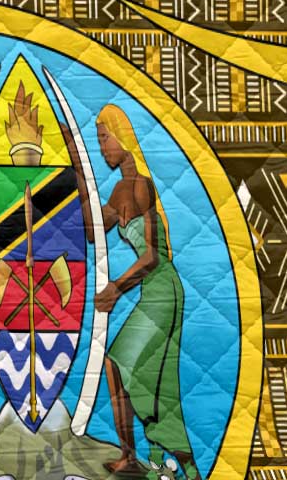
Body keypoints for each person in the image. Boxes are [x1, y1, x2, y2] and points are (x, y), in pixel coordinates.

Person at [93, 104, 199, 480]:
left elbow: (153, 256)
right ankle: (152, 462)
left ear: (121, 137)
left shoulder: (139, 185)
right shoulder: (123, 187)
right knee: (145, 373)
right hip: (155, 291)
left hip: (163, 288)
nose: (102, 146)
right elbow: (92, 230)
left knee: (129, 368)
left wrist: (117, 289)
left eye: (104, 137)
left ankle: (145, 458)